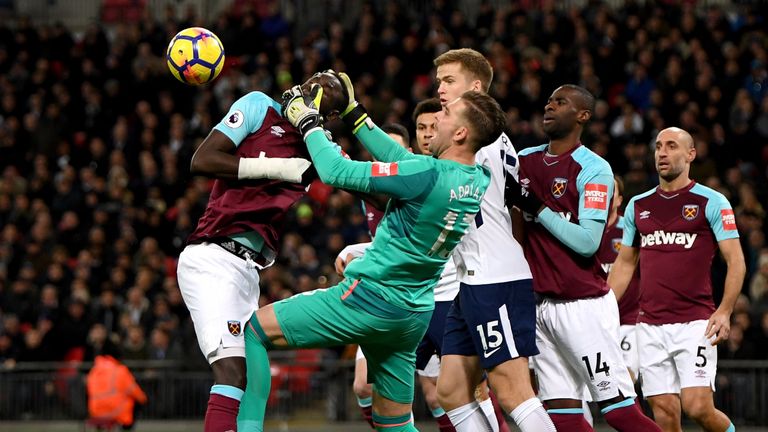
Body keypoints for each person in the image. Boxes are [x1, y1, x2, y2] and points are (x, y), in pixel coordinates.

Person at [239, 72, 506, 432]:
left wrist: (308, 123)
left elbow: (334, 172)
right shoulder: (476, 178)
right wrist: (353, 111)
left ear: (460, 133)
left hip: (368, 299)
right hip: (411, 314)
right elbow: (399, 157)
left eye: (445, 116)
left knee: (255, 331)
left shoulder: (427, 174)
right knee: (392, 421)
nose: (436, 119)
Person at [175, 72, 346, 432]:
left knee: (254, 377)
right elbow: (202, 160)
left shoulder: (319, 147)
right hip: (213, 255)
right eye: (314, 78)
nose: (314, 85)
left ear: (330, 115)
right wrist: (275, 167)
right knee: (232, 372)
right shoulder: (258, 106)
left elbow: (363, 182)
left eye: (328, 89)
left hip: (247, 269)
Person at [506, 84, 661, 432]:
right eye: (548, 100)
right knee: (564, 418)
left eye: (560, 102)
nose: (549, 105)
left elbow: (588, 242)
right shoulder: (524, 161)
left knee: (620, 412)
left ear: (583, 116)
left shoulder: (594, 168)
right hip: (540, 305)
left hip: (583, 306)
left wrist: (537, 208)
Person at [428, 48, 553, 432]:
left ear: (477, 87)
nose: (441, 89)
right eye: (439, 81)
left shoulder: (480, 143)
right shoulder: (489, 140)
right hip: (472, 280)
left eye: (449, 80)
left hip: (493, 277)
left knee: (512, 391)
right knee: (450, 390)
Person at [607, 127, 745, 432]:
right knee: (665, 412)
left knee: (697, 407)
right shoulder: (637, 205)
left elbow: (736, 260)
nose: (662, 153)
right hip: (650, 326)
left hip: (695, 323)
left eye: (671, 146)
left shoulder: (712, 201)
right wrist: (602, 308)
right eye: (658, 147)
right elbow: (625, 264)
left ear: (690, 154)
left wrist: (724, 310)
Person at [340, 114, 461, 431]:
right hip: (385, 293)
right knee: (364, 386)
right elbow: (386, 241)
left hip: (431, 296)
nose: (383, 158)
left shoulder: (418, 181)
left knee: (441, 396)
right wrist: (352, 252)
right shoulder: (377, 186)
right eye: (421, 127)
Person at [596, 175, 641, 382]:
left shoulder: (631, 231)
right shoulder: (583, 231)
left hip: (628, 320)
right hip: (594, 322)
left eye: (610, 190)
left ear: (619, 200)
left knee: (625, 381)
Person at [86, 346, 147, 430]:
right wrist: (143, 399)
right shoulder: (120, 370)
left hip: (95, 411)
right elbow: (134, 391)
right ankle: (127, 427)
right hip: (116, 411)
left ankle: (101, 427)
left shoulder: (94, 370)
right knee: (136, 401)